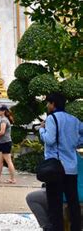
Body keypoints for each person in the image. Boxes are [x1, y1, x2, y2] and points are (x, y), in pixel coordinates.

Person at [38, 91, 83, 231]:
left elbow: (49, 139)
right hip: (71, 167)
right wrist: (75, 142)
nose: (47, 105)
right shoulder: (74, 120)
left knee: (55, 204)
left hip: (56, 168)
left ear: (53, 104)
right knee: (72, 201)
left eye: (48, 103)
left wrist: (41, 130)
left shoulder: (52, 119)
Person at [26, 152, 83, 230]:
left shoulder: (59, 157)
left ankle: (47, 226)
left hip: (65, 196)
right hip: (75, 195)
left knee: (32, 198)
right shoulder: (76, 157)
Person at [0, 105, 17, 184]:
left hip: (5, 142)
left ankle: (13, 179)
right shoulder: (4, 119)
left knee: (8, 161)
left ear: (3, 111)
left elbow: (2, 132)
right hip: (3, 142)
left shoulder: (4, 120)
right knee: (0, 160)